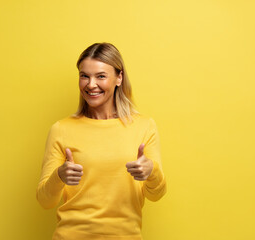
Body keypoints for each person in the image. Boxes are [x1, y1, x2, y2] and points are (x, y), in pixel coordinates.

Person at [36, 42, 167, 240]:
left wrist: (151, 171)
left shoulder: (144, 126)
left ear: (119, 78)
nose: (91, 84)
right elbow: (45, 201)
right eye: (84, 76)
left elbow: (156, 194)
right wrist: (59, 176)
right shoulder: (61, 129)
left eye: (101, 76)